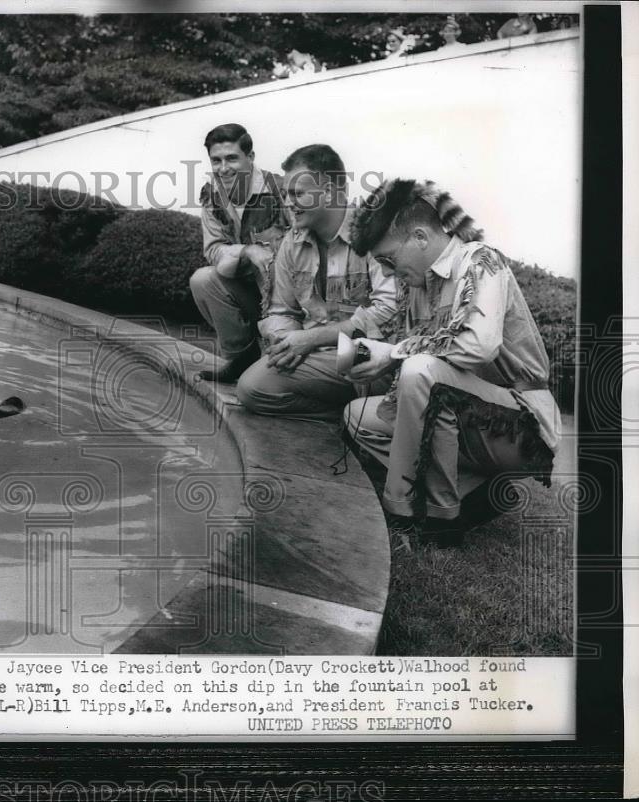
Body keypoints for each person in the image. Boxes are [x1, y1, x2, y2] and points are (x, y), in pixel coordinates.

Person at [342, 179, 559, 538]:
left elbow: (479, 346)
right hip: (464, 413)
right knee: (357, 416)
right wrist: (370, 357)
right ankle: (470, 493)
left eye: (387, 258)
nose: (385, 271)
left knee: (421, 369)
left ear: (420, 238)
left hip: (521, 423)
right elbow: (417, 359)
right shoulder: (419, 286)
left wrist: (395, 353)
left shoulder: (480, 259)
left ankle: (422, 518)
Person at [236, 144, 398, 417]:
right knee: (254, 389)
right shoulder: (292, 241)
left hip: (373, 358)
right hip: (319, 357)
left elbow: (389, 312)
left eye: (298, 194)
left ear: (330, 191)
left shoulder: (373, 233)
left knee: (252, 386)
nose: (288, 203)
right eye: (287, 194)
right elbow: (281, 309)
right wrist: (288, 345)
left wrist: (311, 339)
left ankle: (364, 412)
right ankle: (351, 414)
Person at [190, 123, 287, 383]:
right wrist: (246, 251)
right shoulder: (211, 195)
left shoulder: (281, 190)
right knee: (203, 279)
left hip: (287, 295)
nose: (223, 168)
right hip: (248, 292)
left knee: (272, 381)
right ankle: (241, 358)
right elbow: (212, 250)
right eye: (216, 160)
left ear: (250, 157)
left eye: (232, 158)